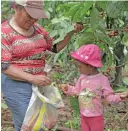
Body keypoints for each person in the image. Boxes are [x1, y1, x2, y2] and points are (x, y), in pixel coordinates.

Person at [1, 0, 84, 131]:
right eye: (29, 16)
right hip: (16, 85)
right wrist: (32, 78)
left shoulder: (38, 28)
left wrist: (71, 32)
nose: (33, 20)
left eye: (36, 17)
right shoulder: (4, 32)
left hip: (38, 84)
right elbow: (4, 66)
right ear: (16, 8)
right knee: (32, 124)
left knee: (27, 124)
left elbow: (54, 47)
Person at [60, 44, 128, 131]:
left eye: (80, 67)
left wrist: (120, 97)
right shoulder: (82, 78)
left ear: (90, 66)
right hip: (83, 116)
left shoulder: (102, 80)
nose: (78, 69)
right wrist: (68, 89)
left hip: (96, 118)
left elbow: (108, 97)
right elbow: (77, 91)